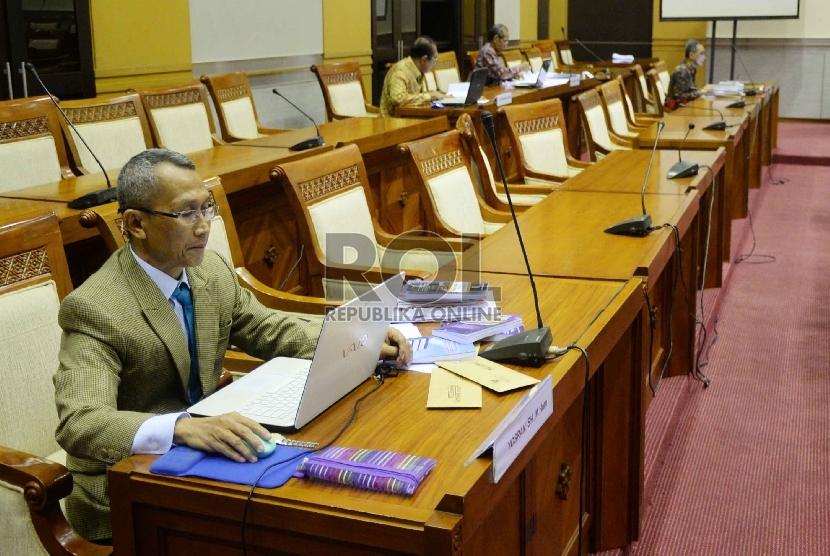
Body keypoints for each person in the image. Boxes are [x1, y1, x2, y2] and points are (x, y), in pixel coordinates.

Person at [53, 148, 412, 542]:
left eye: (206, 208)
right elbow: (80, 422)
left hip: (208, 456)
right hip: (127, 490)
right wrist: (183, 428)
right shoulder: (95, 308)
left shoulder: (209, 271)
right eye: (186, 213)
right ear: (136, 224)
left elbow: (268, 328)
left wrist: (361, 337)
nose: (204, 227)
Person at [379, 35, 446, 117]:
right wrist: (428, 96)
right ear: (424, 60)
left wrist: (433, 94)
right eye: (435, 58)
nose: (435, 62)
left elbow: (413, 96)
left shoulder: (418, 69)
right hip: (392, 122)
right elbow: (398, 100)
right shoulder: (401, 71)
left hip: (410, 117)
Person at [668, 39, 706, 105]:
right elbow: (680, 97)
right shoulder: (681, 72)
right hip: (677, 110)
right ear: (691, 55)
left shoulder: (690, 69)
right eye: (701, 54)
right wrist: (701, 92)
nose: (704, 57)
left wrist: (701, 91)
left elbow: (689, 90)